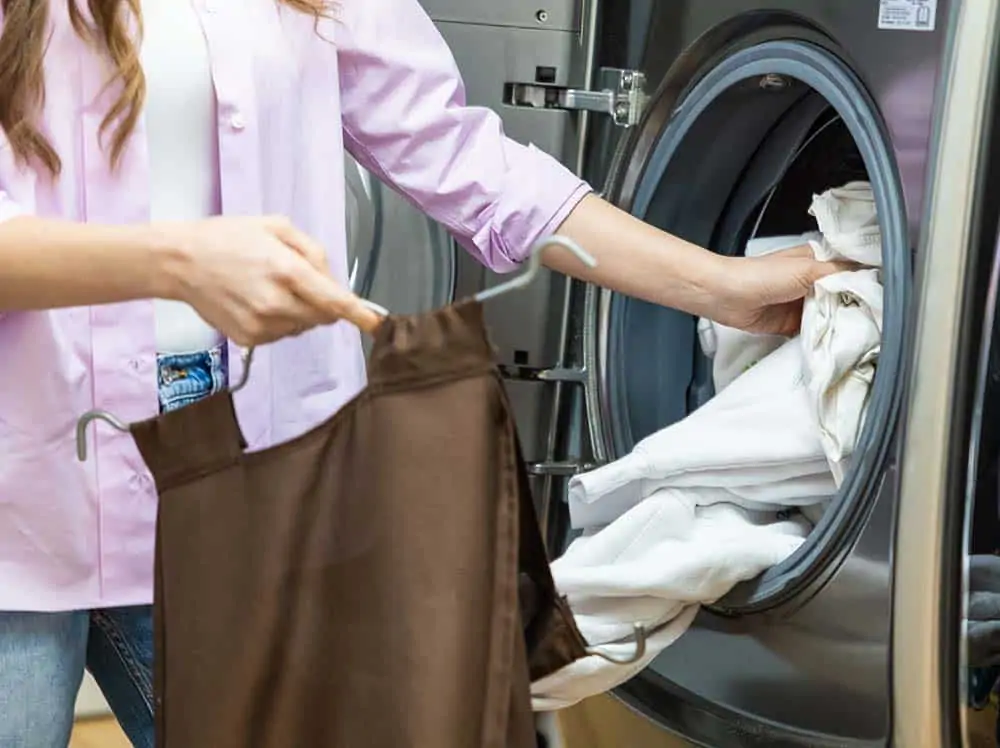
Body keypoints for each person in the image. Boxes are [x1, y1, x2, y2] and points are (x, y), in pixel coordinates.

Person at [0, 0, 842, 745]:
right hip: (17, 488)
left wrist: (723, 287)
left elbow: (465, 158)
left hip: (248, 487)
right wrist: (175, 262)